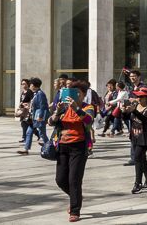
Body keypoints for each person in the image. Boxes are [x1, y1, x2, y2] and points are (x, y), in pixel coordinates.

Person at [49, 80, 93, 222]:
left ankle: (75, 210)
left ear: (84, 95)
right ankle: (76, 196)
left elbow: (88, 120)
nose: (75, 96)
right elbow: (50, 122)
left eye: (78, 94)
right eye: (73, 93)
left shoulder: (87, 107)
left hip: (79, 147)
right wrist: (57, 111)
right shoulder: (64, 108)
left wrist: (76, 108)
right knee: (60, 179)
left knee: (74, 180)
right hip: (62, 146)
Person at [119, 86, 147, 193]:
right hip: (135, 136)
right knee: (142, 159)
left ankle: (138, 183)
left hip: (144, 138)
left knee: (137, 158)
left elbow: (144, 119)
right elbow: (127, 118)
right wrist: (124, 112)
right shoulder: (135, 105)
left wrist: (134, 111)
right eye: (137, 96)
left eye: (141, 97)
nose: (138, 98)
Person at [19, 77, 49, 155]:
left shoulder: (40, 94)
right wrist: (28, 106)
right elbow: (35, 106)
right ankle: (26, 149)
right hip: (34, 117)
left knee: (42, 134)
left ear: (34, 85)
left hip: (39, 117)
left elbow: (42, 106)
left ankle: (50, 147)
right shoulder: (35, 93)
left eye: (31, 84)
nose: (30, 86)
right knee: (29, 132)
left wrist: (40, 117)